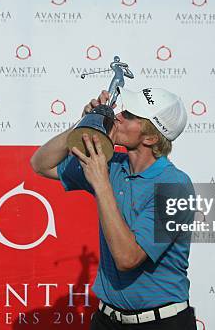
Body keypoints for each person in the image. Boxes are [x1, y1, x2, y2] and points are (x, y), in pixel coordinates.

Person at [30, 87, 196, 329]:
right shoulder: (113, 165)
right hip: (106, 320)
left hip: (161, 322)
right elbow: (41, 164)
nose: (117, 116)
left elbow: (127, 258)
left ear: (150, 138)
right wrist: (83, 124)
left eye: (129, 114)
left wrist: (101, 184)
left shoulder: (174, 186)